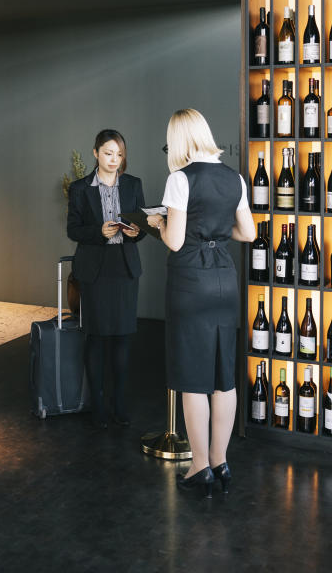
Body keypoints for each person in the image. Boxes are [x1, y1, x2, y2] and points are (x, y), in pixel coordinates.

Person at [145, 109, 255, 497]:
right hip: (225, 279)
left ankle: (200, 466)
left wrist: (158, 224)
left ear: (179, 140)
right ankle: (222, 460)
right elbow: (249, 232)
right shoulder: (234, 177)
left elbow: (174, 241)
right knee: (224, 377)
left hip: (192, 282)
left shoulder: (180, 179)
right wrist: (217, 231)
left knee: (193, 378)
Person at [67, 129, 148, 428]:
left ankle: (120, 402)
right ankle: (98, 405)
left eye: (119, 154)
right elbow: (73, 229)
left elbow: (140, 228)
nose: (114, 160)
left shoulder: (133, 184)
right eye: (108, 153)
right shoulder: (79, 188)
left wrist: (136, 232)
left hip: (125, 268)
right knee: (97, 338)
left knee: (123, 338)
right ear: (95, 153)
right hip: (94, 270)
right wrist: (97, 232)